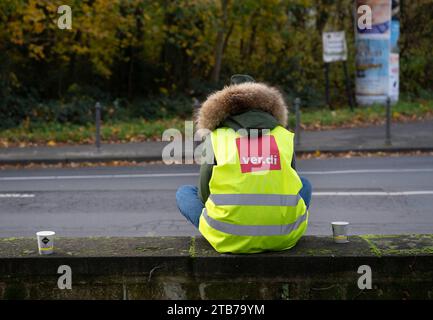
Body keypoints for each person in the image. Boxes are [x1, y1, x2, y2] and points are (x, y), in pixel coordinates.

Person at [176, 75, 312, 253]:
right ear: (265, 104)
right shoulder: (282, 135)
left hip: (227, 236)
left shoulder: (216, 138)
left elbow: (204, 194)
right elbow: (291, 183)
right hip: (285, 235)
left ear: (225, 106)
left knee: (184, 193)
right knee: (305, 184)